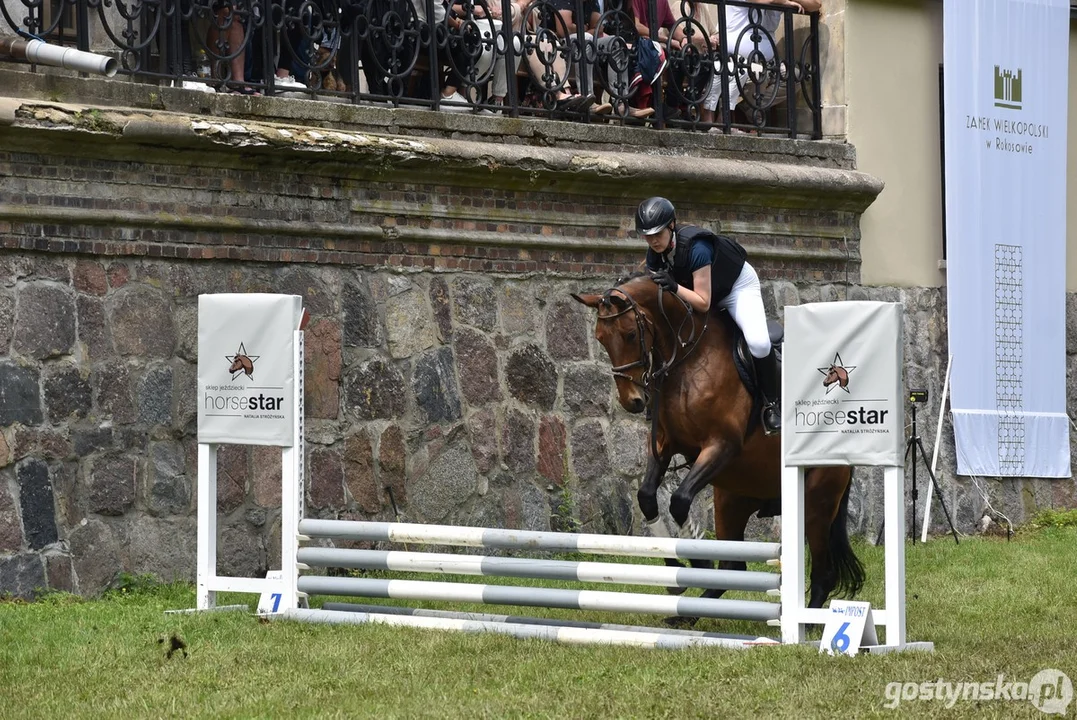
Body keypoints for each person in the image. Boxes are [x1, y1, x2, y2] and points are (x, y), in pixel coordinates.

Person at [635, 196, 781, 434]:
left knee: (758, 342)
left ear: (671, 225)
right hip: (698, 290)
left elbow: (703, 303)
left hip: (736, 289)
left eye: (657, 234)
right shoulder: (655, 255)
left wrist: (673, 287)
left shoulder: (697, 249)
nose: (652, 241)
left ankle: (772, 406)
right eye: (647, 235)